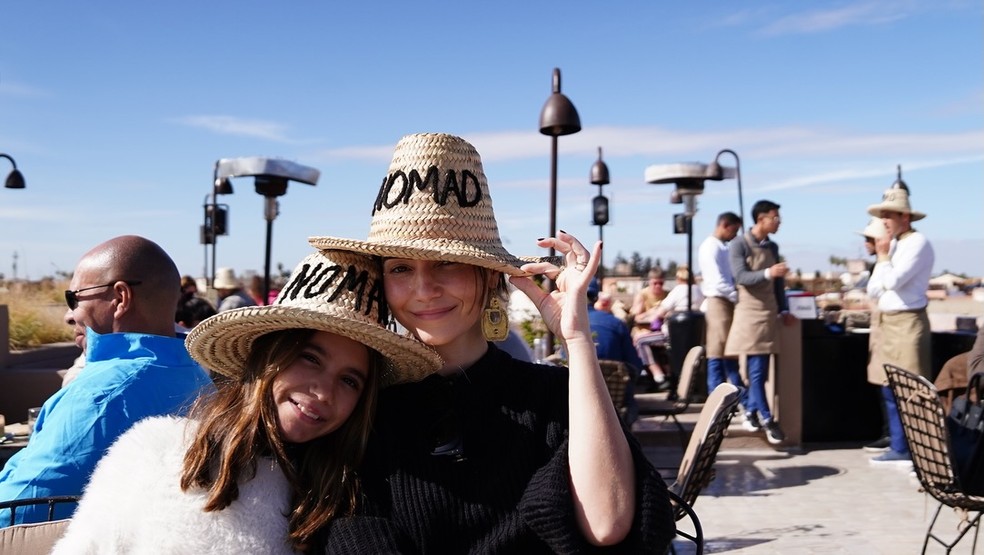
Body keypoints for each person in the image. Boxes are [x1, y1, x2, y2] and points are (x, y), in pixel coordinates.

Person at [310, 133, 675, 552]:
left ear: (488, 278)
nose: (423, 288)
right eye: (400, 268)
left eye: (446, 262)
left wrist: (577, 341)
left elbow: (607, 524)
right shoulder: (364, 407)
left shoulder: (553, 399)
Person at [52, 248, 443, 553]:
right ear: (267, 356)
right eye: (309, 358)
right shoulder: (152, 450)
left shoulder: (336, 498)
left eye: (349, 380)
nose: (324, 392)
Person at [0, 235, 215, 525]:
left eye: (73, 298)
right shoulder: (196, 375)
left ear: (120, 298)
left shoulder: (102, 395)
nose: (68, 315)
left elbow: (18, 512)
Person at [866, 185, 934, 465]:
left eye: (889, 215)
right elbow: (874, 288)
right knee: (888, 386)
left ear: (905, 217)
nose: (884, 220)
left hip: (907, 325)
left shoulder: (917, 243)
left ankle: (918, 450)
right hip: (889, 324)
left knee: (911, 390)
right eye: (882, 215)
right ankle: (899, 445)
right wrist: (884, 267)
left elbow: (892, 281)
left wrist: (883, 259)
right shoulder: (895, 244)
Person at [725, 200, 795, 446]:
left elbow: (778, 285)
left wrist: (784, 308)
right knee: (755, 370)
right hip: (749, 313)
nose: (779, 222)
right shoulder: (739, 244)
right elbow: (741, 276)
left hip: (769, 313)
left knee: (761, 371)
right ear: (761, 219)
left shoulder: (773, 246)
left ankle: (752, 411)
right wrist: (768, 273)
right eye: (775, 218)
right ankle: (767, 418)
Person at [698, 212, 745, 401]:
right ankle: (716, 399)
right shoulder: (711, 247)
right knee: (717, 353)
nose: (734, 235)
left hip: (726, 301)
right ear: (725, 225)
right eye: (734, 230)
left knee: (726, 353)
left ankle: (727, 398)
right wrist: (737, 296)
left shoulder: (720, 247)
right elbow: (717, 281)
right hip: (719, 301)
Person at [856, 217, 891, 453]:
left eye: (868, 239)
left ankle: (891, 436)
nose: (866, 244)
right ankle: (888, 434)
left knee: (888, 385)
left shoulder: (885, 264)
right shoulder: (877, 265)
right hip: (879, 328)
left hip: (888, 329)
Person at [589, 281, 645, 425]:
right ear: (596, 297)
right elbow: (635, 365)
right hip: (617, 407)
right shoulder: (615, 323)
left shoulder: (564, 322)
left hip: (575, 402)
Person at [629, 269, 671, 389]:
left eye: (661, 283)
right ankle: (657, 375)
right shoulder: (643, 295)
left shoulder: (667, 295)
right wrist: (652, 313)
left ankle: (660, 376)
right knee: (641, 340)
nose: (658, 286)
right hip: (644, 329)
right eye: (655, 283)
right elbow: (636, 317)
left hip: (660, 331)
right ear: (649, 282)